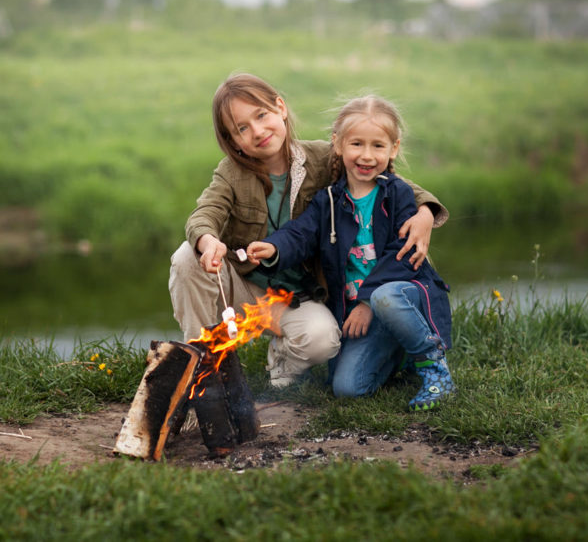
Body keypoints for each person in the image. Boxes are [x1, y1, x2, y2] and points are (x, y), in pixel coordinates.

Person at [170, 74, 448, 389]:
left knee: (323, 341)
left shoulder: (320, 158)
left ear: (280, 108)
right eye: (242, 129)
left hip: (296, 296)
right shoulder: (231, 173)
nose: (258, 131)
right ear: (233, 141)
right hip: (242, 286)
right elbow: (205, 212)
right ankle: (201, 360)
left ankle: (284, 358)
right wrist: (208, 241)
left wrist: (425, 211)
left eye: (261, 116)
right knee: (186, 255)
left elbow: (381, 175)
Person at [245, 94, 453, 410]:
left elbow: (402, 255)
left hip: (396, 296)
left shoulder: (397, 194)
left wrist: (368, 302)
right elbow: (301, 234)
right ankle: (401, 353)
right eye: (357, 144)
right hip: (356, 312)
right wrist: (274, 247)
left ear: (393, 149)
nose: (366, 155)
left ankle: (433, 366)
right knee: (347, 388)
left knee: (386, 297)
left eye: (378, 146)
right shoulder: (328, 201)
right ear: (338, 145)